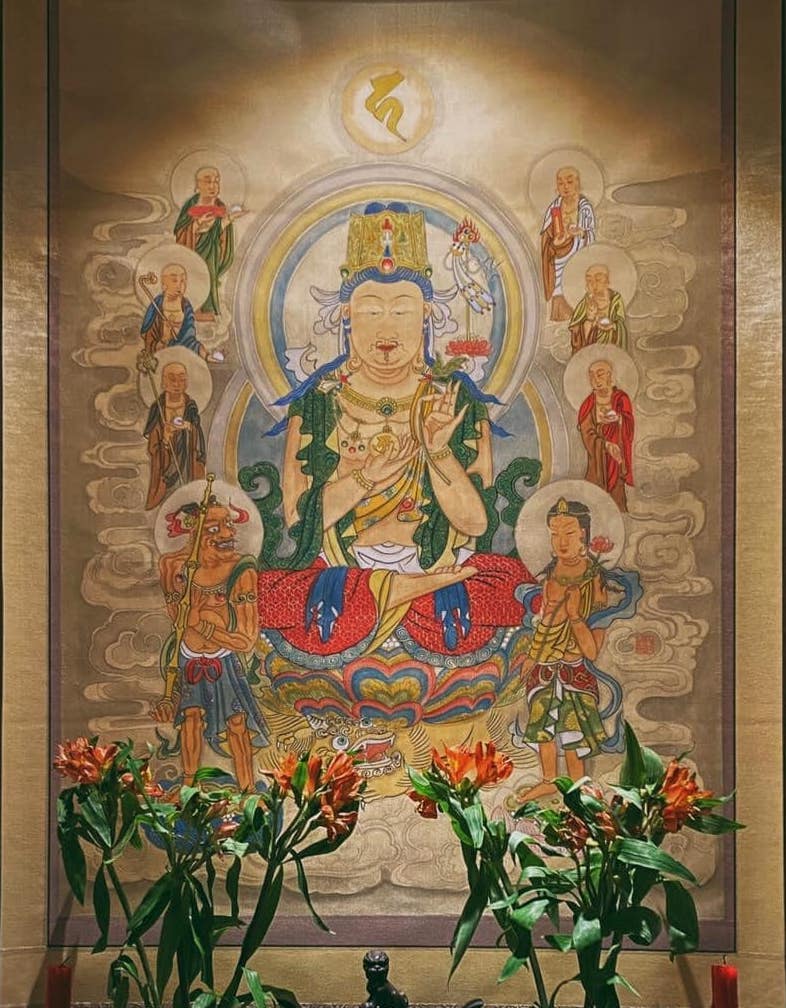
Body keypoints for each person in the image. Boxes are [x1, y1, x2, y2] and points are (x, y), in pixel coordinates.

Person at [256, 201, 534, 666]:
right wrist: (368, 477)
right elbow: (298, 519)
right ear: (346, 315)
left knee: (508, 589)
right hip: (342, 578)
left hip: (438, 576)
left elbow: (475, 525)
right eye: (371, 311)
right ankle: (394, 592)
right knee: (273, 596)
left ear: (427, 316)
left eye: (402, 311)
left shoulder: (455, 398)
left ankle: (403, 590)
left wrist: (438, 451)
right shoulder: (319, 401)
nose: (386, 328)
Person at [151, 496, 269, 791]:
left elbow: (245, 640)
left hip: (224, 659)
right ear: (193, 530)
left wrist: (202, 623)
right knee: (190, 719)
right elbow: (176, 616)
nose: (228, 534)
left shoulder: (241, 570)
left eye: (229, 524)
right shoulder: (172, 566)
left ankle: (247, 790)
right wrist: (190, 615)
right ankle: (187, 789)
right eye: (214, 529)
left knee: (237, 723)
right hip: (188, 657)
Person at [515, 498, 610, 802]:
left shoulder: (595, 580)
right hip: (545, 667)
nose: (561, 542)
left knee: (571, 729)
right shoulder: (551, 577)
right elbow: (545, 624)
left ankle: (578, 783)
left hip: (575, 669)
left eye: (569, 533)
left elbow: (592, 651)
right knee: (542, 726)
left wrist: (574, 615)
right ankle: (548, 780)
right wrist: (533, 656)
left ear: (583, 534)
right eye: (555, 534)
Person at [174, 166, 243, 318]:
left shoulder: (220, 207)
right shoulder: (190, 206)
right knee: (194, 279)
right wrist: (198, 224)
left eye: (216, 181)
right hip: (193, 251)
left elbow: (220, 232)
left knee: (208, 277)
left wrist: (230, 218)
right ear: (197, 185)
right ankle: (192, 310)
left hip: (212, 254)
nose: (213, 186)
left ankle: (207, 310)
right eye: (207, 182)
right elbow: (180, 232)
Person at [142, 361, 207, 510]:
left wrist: (189, 427)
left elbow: (198, 442)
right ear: (163, 383)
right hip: (166, 470)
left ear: (187, 383)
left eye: (182, 379)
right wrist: (165, 439)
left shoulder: (191, 407)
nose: (177, 384)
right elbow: (153, 449)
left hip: (187, 468)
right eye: (172, 379)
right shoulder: (158, 409)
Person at [577, 359, 634, 511]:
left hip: (616, 461)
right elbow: (587, 433)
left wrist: (618, 419)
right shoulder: (588, 404)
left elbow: (629, 427)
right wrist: (605, 445)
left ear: (609, 375)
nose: (596, 379)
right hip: (597, 463)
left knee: (617, 503)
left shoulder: (621, 399)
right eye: (592, 376)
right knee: (594, 504)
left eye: (600, 374)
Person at [540, 166, 596, 322]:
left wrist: (581, 233)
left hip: (578, 254)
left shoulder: (584, 208)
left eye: (569, 182)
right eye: (560, 183)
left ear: (578, 183)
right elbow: (546, 237)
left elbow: (591, 236)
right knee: (560, 292)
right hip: (558, 258)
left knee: (577, 288)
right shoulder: (554, 208)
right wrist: (555, 243)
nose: (565, 187)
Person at [140, 263, 223, 362]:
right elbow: (149, 344)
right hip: (161, 358)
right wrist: (164, 339)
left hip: (182, 356)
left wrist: (206, 356)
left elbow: (190, 341)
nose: (180, 285)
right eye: (174, 280)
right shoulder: (156, 306)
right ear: (163, 285)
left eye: (183, 280)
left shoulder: (185, 306)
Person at [568, 264, 628, 353]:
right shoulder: (586, 301)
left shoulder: (616, 299)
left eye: (598, 279)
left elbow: (621, 325)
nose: (593, 284)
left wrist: (612, 326)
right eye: (589, 280)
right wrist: (590, 320)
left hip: (611, 348)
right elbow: (575, 330)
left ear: (607, 281)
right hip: (591, 348)